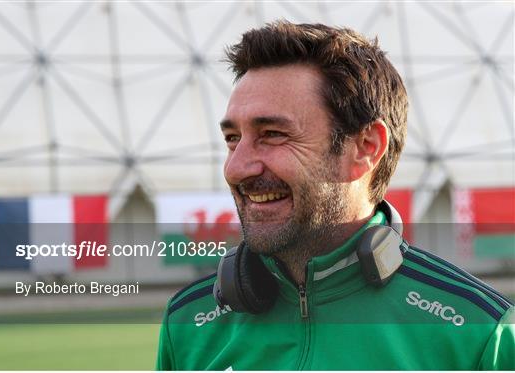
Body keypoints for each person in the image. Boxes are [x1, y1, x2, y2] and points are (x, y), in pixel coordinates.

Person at [156, 21, 514, 370]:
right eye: (233, 139)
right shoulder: (188, 323)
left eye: (273, 134)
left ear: (366, 148)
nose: (237, 168)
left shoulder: (481, 334)